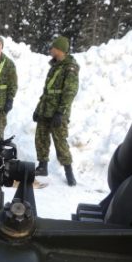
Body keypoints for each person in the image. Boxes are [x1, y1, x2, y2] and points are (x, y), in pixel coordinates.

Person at [32, 36, 79, 186]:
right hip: (46, 109)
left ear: (59, 50)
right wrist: (38, 109)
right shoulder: (55, 66)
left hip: (58, 112)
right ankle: (42, 166)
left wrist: (61, 112)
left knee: (60, 142)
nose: (50, 50)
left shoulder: (70, 67)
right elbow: (48, 91)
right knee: (41, 138)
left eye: (53, 48)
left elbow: (70, 92)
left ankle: (69, 172)